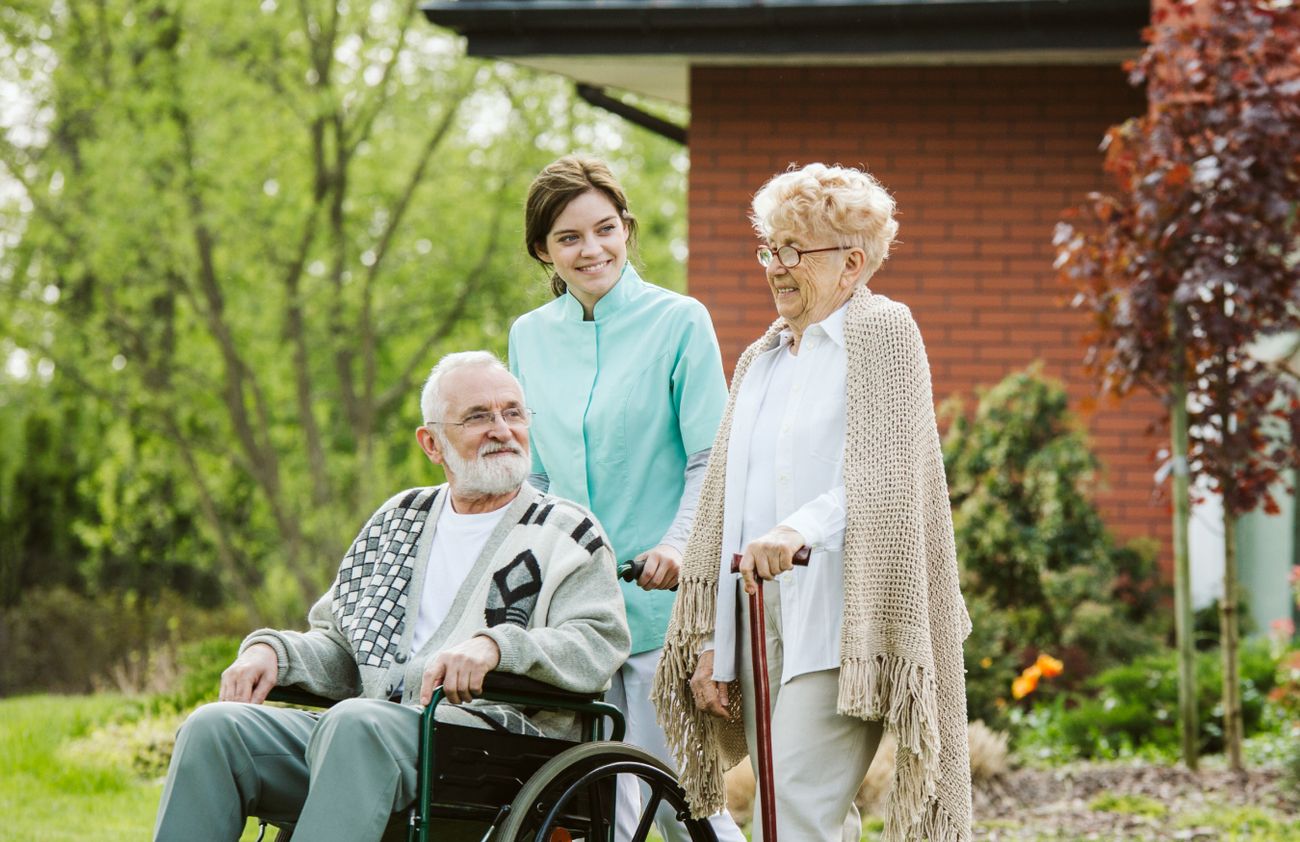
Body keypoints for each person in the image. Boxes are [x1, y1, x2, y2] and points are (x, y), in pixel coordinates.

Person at [153, 351, 630, 842]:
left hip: (493, 749)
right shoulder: (397, 520)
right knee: (215, 729)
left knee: (357, 724)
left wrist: (498, 647)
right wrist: (274, 653)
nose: (501, 429)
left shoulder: (567, 532)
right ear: (432, 443)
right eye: (477, 417)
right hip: (366, 736)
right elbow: (341, 644)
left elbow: (598, 642)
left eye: (512, 412)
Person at [653, 163, 973, 842]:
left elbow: (888, 472)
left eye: (795, 250)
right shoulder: (760, 361)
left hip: (842, 622)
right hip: (762, 621)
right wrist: (712, 640)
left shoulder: (883, 332)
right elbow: (725, 509)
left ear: (853, 262)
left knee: (791, 812)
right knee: (798, 815)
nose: (776, 266)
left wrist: (798, 528)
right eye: (770, 248)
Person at [508, 155, 746, 842]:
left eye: (605, 229)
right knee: (590, 813)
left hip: (658, 611)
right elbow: (539, 478)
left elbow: (712, 459)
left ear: (627, 229)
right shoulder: (529, 337)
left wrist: (676, 546)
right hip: (569, 618)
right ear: (542, 251)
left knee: (681, 806)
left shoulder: (679, 322)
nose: (593, 250)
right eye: (569, 238)